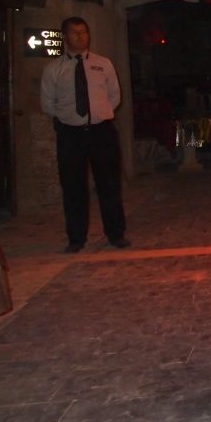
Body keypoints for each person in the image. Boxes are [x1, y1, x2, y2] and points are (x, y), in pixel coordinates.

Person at [40, 17, 130, 253]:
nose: (81, 36)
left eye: (84, 32)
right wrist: (69, 118)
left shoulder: (103, 64)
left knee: (109, 184)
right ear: (65, 36)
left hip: (101, 131)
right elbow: (48, 104)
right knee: (73, 187)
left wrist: (99, 113)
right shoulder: (54, 69)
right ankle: (76, 238)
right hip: (71, 133)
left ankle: (116, 233)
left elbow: (114, 96)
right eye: (75, 32)